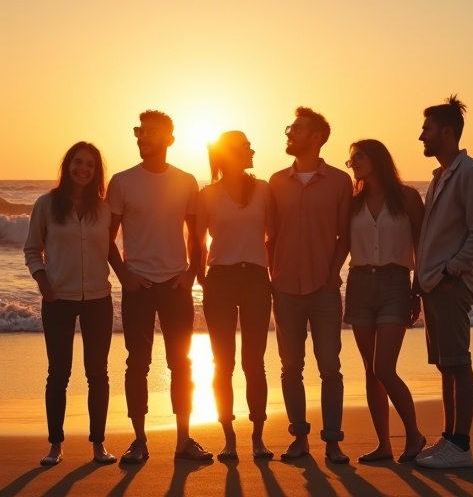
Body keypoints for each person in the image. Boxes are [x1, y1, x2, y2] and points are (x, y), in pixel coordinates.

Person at [107, 110, 213, 463]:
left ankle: (183, 440)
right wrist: (124, 275)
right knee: (137, 363)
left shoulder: (185, 181)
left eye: (150, 132)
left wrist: (191, 273)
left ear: (169, 138)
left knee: (180, 363)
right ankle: (139, 440)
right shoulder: (122, 182)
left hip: (174, 285)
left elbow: (197, 237)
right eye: (139, 131)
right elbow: (107, 238)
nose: (142, 137)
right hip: (137, 285)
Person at [268, 107, 352, 463]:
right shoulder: (275, 181)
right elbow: (269, 234)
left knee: (330, 366)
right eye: (290, 127)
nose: (290, 133)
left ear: (316, 137)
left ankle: (333, 441)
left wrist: (333, 274)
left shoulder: (338, 181)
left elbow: (344, 234)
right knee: (290, 367)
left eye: (297, 129)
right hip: (284, 288)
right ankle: (299, 438)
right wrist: (273, 274)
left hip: (324, 289)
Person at [24, 142, 116, 466]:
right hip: (58, 300)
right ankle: (55, 445)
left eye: (90, 165)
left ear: (96, 171)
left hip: (98, 300)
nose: (83, 169)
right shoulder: (46, 204)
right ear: (68, 165)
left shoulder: (104, 208)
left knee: (98, 374)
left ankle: (98, 445)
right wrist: (45, 286)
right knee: (58, 374)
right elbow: (32, 249)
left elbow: (115, 249)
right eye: (78, 162)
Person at [415, 95, 473, 468]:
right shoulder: (440, 176)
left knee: (458, 362)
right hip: (434, 284)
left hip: (450, 284)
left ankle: (461, 444)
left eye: (427, 130)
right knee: (445, 363)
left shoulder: (470, 173)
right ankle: (449, 437)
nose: (421, 137)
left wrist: (451, 271)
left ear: (447, 132)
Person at [343, 139, 426, 463]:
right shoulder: (352, 202)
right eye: (351, 159)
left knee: (384, 367)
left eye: (358, 156)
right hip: (359, 284)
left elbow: (421, 242)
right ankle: (384, 446)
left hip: (395, 283)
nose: (353, 163)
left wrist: (418, 288)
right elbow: (341, 243)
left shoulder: (406, 197)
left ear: (377, 157)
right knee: (370, 370)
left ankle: (415, 435)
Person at [197, 131, 273, 460]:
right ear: (230, 154)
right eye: (245, 146)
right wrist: (202, 279)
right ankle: (229, 437)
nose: (252, 149)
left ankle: (258, 437)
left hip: (256, 278)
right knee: (223, 363)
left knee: (254, 363)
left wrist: (265, 262)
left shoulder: (264, 190)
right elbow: (197, 241)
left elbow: (275, 234)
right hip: (221, 279)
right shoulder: (208, 194)